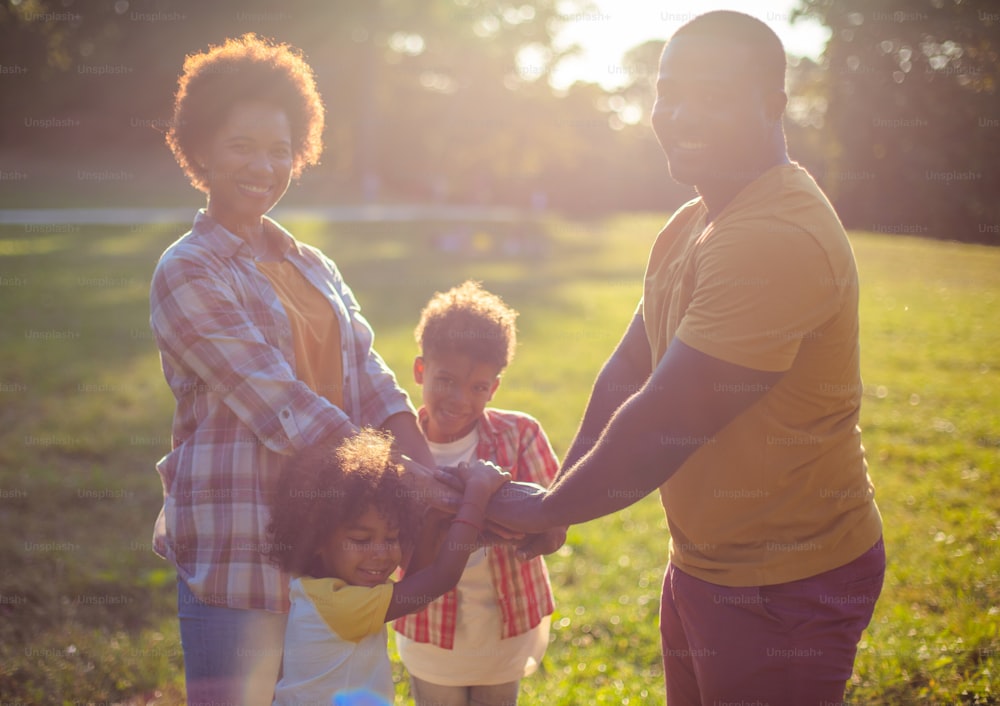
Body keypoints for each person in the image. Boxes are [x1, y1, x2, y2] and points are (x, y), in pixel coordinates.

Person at [486, 11, 885, 706]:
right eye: (668, 92)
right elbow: (631, 371)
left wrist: (548, 505)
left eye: (712, 93)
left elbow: (670, 417)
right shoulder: (693, 221)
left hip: (786, 582)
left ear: (773, 106)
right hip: (708, 565)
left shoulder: (775, 234)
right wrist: (560, 502)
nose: (679, 113)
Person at [149, 33, 457, 706]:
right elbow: (278, 403)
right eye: (242, 146)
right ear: (198, 149)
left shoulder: (313, 265)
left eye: (280, 149)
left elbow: (372, 376)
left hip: (335, 551)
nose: (264, 165)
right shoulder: (188, 269)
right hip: (242, 547)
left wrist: (429, 475)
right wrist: (406, 481)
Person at [393, 281, 558, 706]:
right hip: (429, 627)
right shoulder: (396, 448)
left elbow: (554, 522)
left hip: (506, 623)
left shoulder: (521, 435)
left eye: (478, 387)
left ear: (495, 388)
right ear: (419, 370)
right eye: (445, 379)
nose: (459, 399)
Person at [267, 428, 511, 705]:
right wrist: (476, 493)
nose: (381, 553)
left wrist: (433, 519)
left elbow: (416, 597)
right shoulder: (337, 604)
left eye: (392, 537)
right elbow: (440, 578)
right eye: (361, 540)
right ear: (317, 539)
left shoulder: (319, 588)